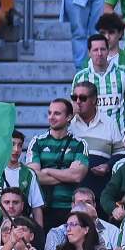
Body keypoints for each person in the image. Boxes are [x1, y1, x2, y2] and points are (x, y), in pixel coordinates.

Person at [27, 98, 90, 230]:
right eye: (49, 113)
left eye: (57, 113)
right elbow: (33, 176)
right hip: (43, 209)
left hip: (70, 209)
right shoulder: (37, 142)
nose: (51, 117)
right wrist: (66, 175)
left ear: (69, 117)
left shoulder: (80, 144)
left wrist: (47, 171)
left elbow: (76, 176)